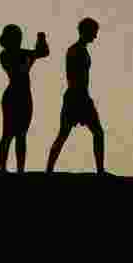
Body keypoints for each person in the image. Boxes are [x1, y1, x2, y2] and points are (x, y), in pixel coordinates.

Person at [46, 17, 106, 175]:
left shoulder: (80, 49)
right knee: (65, 134)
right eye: (94, 32)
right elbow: (73, 76)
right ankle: (49, 170)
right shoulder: (75, 50)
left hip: (80, 96)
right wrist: (80, 98)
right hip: (77, 97)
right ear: (86, 31)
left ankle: (99, 170)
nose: (95, 36)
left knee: (95, 133)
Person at [0, 25, 50, 173]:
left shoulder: (23, 53)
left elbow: (44, 52)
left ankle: (20, 169)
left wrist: (41, 39)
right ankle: (3, 168)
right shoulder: (5, 54)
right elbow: (18, 70)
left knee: (21, 135)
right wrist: (29, 59)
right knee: (8, 133)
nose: (19, 39)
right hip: (14, 96)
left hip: (24, 96)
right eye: (16, 37)